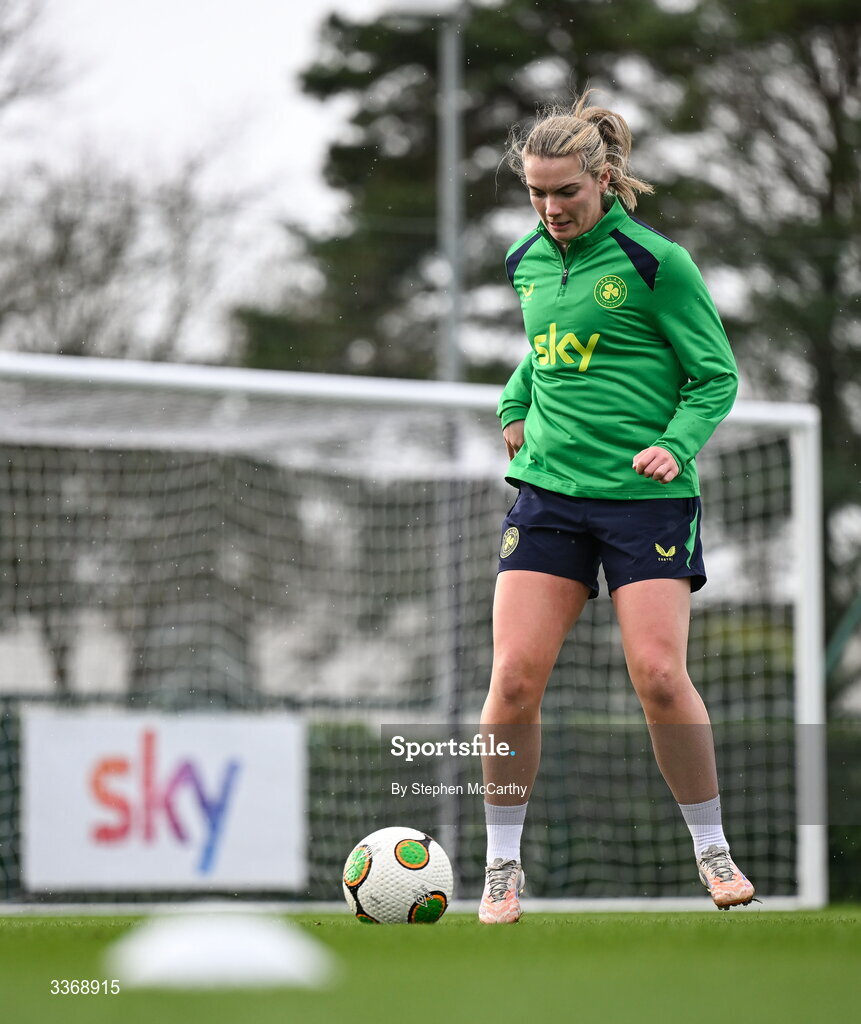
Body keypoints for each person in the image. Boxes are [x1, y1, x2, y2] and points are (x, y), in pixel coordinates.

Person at [478, 91, 755, 923]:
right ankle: (499, 869)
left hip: (646, 501)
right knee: (514, 679)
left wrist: (677, 440)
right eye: (536, 192)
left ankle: (712, 851)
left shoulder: (655, 263)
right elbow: (542, 350)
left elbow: (715, 376)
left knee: (660, 678)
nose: (551, 209)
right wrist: (512, 406)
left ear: (602, 178)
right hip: (549, 494)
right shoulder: (525, 257)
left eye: (565, 192)